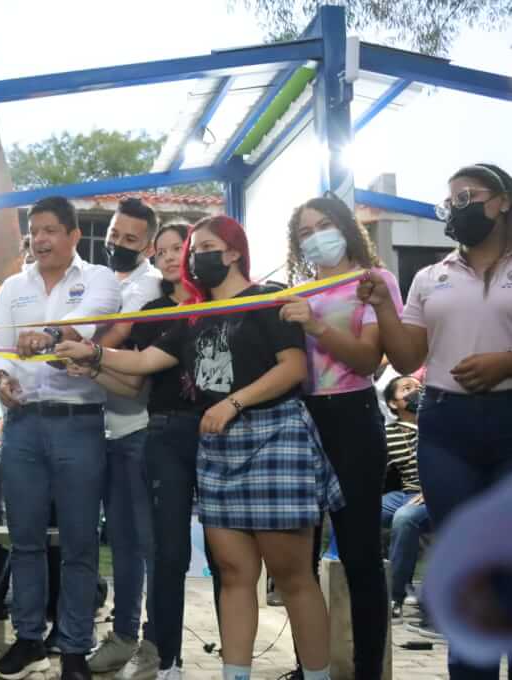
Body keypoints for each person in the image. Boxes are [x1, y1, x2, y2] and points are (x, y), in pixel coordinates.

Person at [58, 216, 342, 680]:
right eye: (191, 250)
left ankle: (317, 675)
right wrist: (89, 353)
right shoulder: (193, 313)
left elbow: (292, 369)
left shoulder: (268, 299)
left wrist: (234, 402)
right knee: (232, 574)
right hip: (220, 445)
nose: (193, 258)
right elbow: (146, 360)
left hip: (273, 436)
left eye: (204, 247)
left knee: (292, 576)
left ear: (233, 252)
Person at [359, 163, 512, 680]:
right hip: (446, 427)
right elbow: (405, 359)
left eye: (470, 196)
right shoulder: (431, 275)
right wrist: (383, 305)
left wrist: (506, 362)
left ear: (503, 202)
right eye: (452, 201)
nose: (459, 208)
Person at [0, 196, 120, 680]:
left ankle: (73, 649)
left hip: (79, 423)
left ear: (72, 236)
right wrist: (1, 380)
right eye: (33, 231)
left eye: (49, 230)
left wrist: (47, 333)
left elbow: (91, 318)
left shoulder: (97, 279)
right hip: (22, 427)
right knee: (24, 541)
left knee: (81, 543)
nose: (39, 240)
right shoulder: (13, 289)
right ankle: (27, 641)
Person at [277, 194, 402, 680]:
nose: (315, 237)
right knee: (297, 561)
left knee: (359, 555)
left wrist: (313, 323)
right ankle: (310, 667)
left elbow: (369, 360)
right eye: (304, 232)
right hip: (301, 422)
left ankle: (368, 670)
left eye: (323, 225)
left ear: (347, 228)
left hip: (352, 417)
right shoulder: (295, 291)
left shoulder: (373, 282)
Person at [85, 199, 162, 678]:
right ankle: (123, 634)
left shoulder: (149, 286)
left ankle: (155, 641)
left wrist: (72, 342)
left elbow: (119, 340)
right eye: (115, 233)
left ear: (148, 246)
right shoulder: (97, 279)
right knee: (123, 542)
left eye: (131, 239)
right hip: (103, 426)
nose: (117, 243)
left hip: (140, 426)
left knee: (149, 541)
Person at [380, 375, 431, 620]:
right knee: (356, 510)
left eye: (418, 388)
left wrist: (431, 490)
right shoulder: (388, 433)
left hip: (435, 495)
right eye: (407, 389)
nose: (414, 393)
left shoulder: (437, 424)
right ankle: (351, 586)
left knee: (405, 518)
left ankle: (394, 595)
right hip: (403, 494)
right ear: (392, 404)